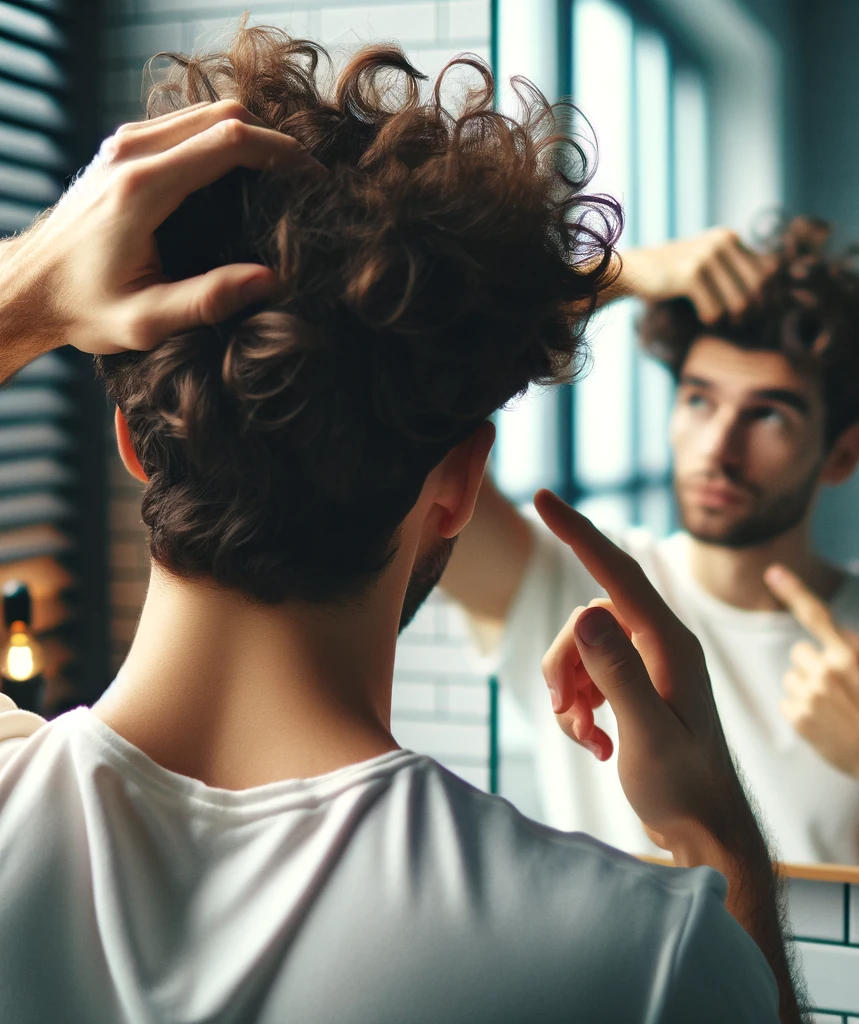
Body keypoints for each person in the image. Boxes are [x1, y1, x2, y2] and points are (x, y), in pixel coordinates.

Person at [0, 28, 801, 1022]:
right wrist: (724, 850)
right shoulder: (634, 953)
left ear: (133, 439)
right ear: (458, 486)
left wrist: (21, 294)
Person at [442, 218, 859, 877]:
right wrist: (618, 278)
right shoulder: (571, 580)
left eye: (768, 414)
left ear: (844, 452)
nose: (718, 448)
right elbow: (405, 413)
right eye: (699, 401)